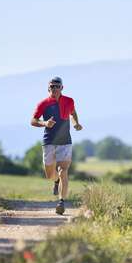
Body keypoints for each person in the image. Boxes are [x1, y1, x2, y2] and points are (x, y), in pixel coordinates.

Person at [30, 76, 83, 215]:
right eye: (52, 86)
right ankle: (55, 181)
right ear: (48, 88)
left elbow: (73, 112)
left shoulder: (69, 101)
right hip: (49, 142)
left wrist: (76, 123)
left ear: (62, 88)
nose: (54, 88)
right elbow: (33, 120)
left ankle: (61, 202)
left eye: (57, 86)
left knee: (63, 171)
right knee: (50, 174)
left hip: (65, 142)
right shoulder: (43, 104)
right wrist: (44, 123)